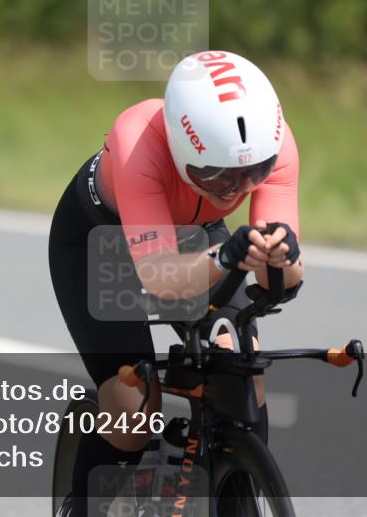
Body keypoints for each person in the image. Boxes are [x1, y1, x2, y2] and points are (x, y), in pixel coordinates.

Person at [49, 50, 303, 516]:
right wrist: (228, 255)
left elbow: (282, 280)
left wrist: (282, 260)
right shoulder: (138, 142)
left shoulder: (275, 146)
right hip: (99, 245)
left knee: (240, 363)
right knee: (133, 405)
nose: (235, 189)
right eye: (215, 174)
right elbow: (163, 277)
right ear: (179, 146)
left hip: (194, 236)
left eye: (253, 174)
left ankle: (230, 477)